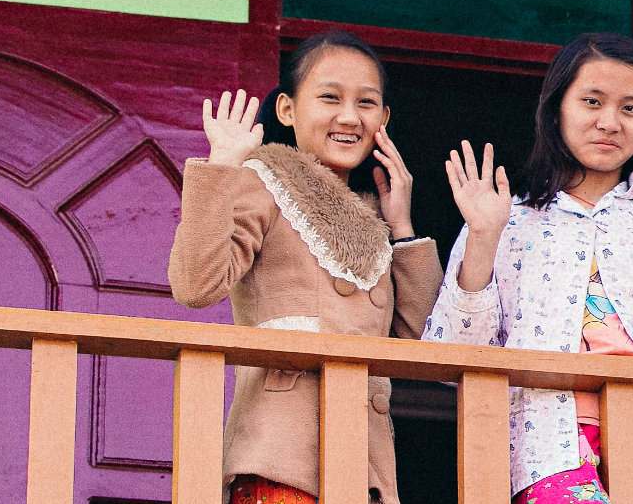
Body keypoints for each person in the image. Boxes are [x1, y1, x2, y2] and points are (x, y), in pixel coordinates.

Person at [421, 32, 633, 504]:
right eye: (592, 101)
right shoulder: (504, 221)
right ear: (556, 110)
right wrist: (485, 236)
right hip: (547, 439)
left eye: (630, 109)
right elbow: (455, 356)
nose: (610, 122)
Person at [168, 30, 442, 504]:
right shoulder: (264, 182)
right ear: (287, 110)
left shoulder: (375, 219)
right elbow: (196, 284)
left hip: (365, 470)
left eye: (367, 103)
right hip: (281, 460)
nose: (349, 117)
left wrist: (401, 225)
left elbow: (425, 343)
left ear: (385, 119)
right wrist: (223, 168)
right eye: (329, 97)